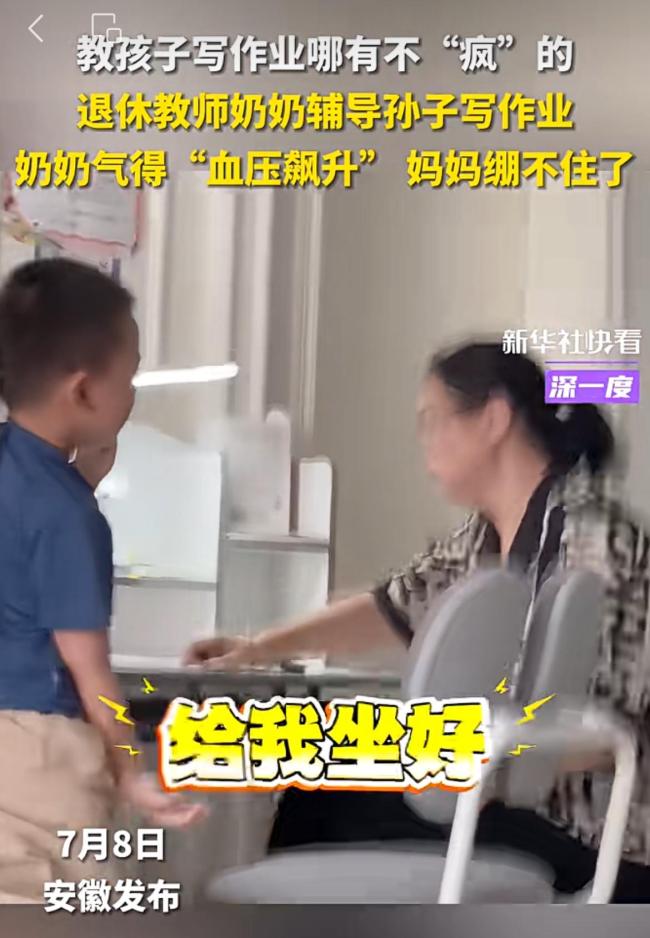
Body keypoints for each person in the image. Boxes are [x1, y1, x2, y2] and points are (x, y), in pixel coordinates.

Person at [185, 341, 650, 903]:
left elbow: (610, 731)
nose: (424, 442)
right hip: (510, 800)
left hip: (599, 838)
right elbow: (393, 606)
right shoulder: (482, 537)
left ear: (493, 419)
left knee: (329, 799)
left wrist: (465, 761)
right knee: (321, 787)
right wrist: (258, 647)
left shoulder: (596, 539)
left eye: (432, 420)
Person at [0, 258, 204, 904]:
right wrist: (130, 770)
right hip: (41, 755)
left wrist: (78, 480)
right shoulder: (69, 516)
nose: (134, 394)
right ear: (85, 392)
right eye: (131, 375)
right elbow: (91, 675)